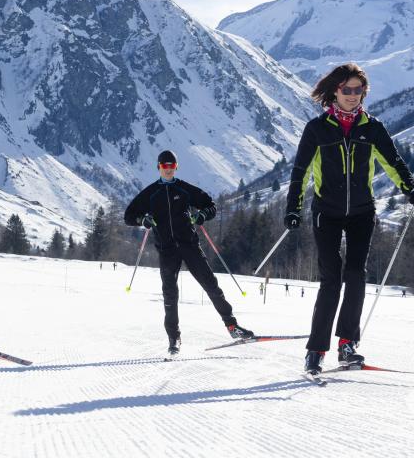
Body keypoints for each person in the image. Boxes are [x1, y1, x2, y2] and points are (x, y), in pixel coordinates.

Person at [284, 64, 414, 374]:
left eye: (359, 90)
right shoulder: (317, 129)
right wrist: (293, 207)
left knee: (356, 275)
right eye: (347, 90)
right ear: (334, 92)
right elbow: (300, 172)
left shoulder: (373, 128)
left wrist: (409, 187)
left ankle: (347, 344)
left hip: (361, 212)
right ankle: (315, 351)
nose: (353, 96)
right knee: (331, 278)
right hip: (325, 213)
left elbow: (393, 162)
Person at [124, 150, 254, 356]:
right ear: (158, 167)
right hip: (167, 250)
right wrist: (143, 220)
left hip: (190, 246)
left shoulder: (184, 189)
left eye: (171, 166)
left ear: (176, 167)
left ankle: (232, 327)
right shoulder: (151, 193)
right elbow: (129, 216)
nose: (168, 169)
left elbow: (210, 206)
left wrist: (202, 215)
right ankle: (173, 338)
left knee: (211, 285)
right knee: (170, 294)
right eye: (164, 166)